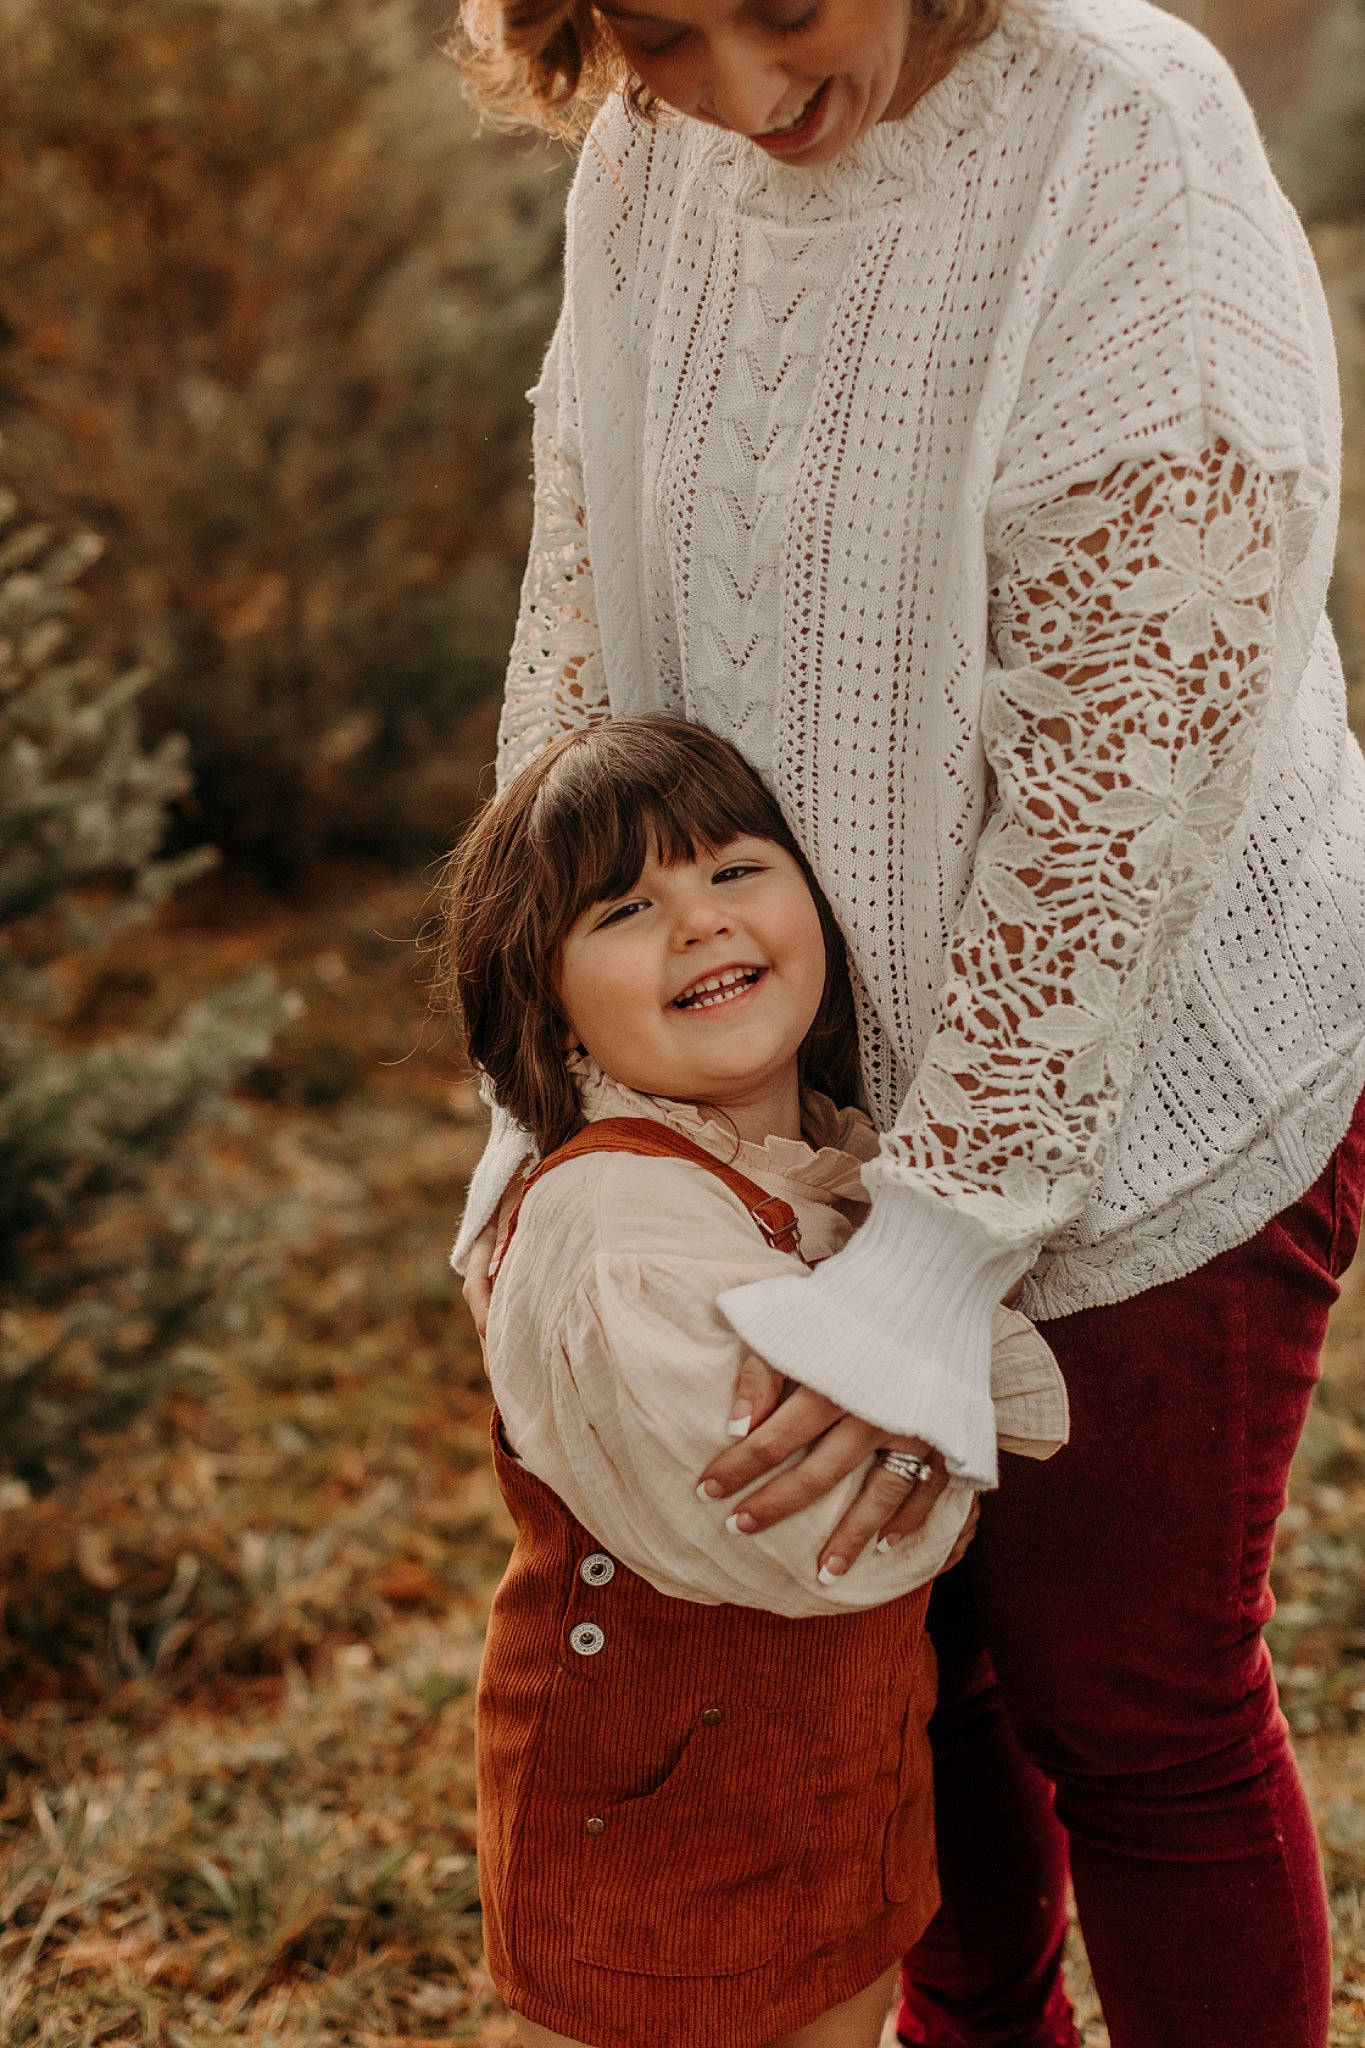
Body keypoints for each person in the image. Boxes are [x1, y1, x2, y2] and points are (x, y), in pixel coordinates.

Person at [449, 2, 1365, 2044]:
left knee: (1125, 1704)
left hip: (1147, 1092)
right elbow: (580, 600)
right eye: (656, 34)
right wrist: (547, 1092)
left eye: (782, 11)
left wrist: (943, 1242)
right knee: (904, 1690)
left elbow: (1118, 770)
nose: (737, 99)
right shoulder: (647, 152)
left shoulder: (1117, 146)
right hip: (775, 1104)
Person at [440, 716, 1068, 2048]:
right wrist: (939, 1431)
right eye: (625, 906)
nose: (695, 924)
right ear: (547, 1003)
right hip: (650, 1833)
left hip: (833, 1797)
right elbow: (794, 1529)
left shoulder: (829, 1168)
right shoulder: (613, 1227)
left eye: (731, 871)